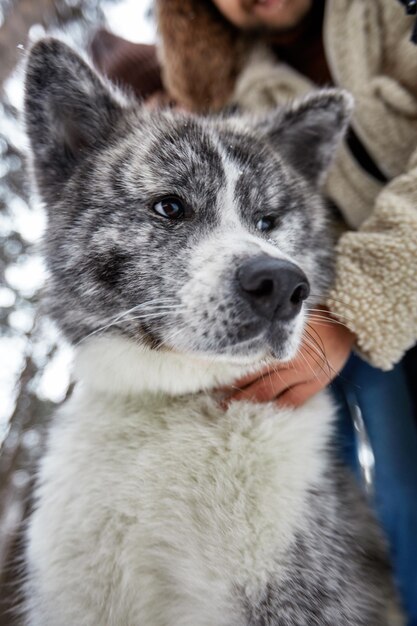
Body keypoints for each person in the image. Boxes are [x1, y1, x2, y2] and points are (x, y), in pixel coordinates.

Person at [91, 1, 417, 622]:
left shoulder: (389, 13)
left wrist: (360, 305)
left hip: (376, 293)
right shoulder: (235, 87)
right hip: (305, 306)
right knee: (312, 497)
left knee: (405, 481)